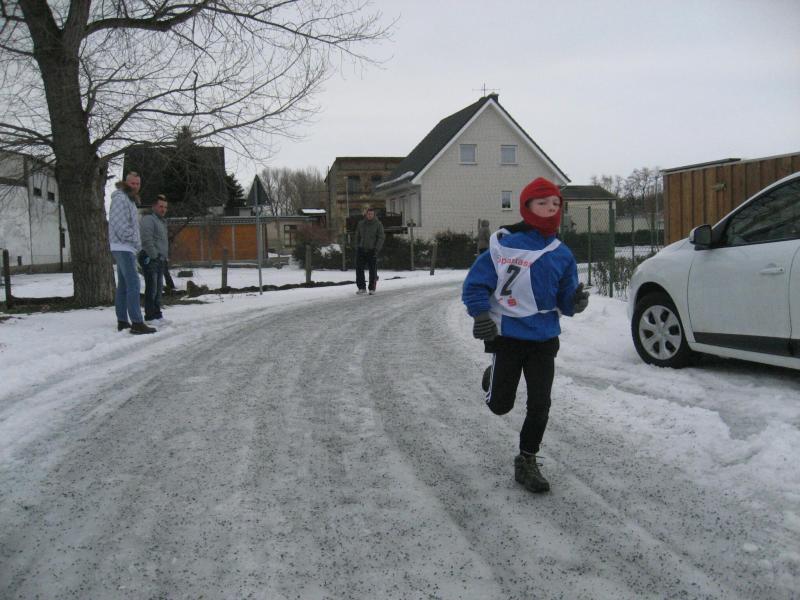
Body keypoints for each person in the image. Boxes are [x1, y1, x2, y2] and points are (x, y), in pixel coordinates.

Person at [461, 177, 589, 493]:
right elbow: (475, 285)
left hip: (545, 338)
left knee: (540, 403)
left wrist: (574, 302)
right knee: (500, 406)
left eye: (556, 204)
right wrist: (480, 315)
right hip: (509, 336)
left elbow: (565, 297)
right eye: (542, 203)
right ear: (527, 207)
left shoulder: (562, 253)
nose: (550, 209)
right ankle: (493, 377)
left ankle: (527, 460)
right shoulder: (504, 245)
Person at [108, 172, 156, 335]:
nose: (135, 186)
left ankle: (122, 321)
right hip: (124, 246)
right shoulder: (121, 199)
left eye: (137, 184)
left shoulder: (128, 199)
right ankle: (137, 322)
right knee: (134, 283)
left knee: (124, 285)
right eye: (132, 183)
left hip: (124, 247)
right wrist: (135, 240)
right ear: (126, 183)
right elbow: (119, 226)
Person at [139, 194, 169, 323]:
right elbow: (146, 239)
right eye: (161, 206)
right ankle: (150, 316)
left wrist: (163, 256)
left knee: (158, 289)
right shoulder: (148, 219)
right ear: (154, 207)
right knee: (152, 288)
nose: (163, 209)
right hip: (150, 258)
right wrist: (154, 255)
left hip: (160, 259)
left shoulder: (161, 222)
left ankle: (157, 314)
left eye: (165, 207)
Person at [354, 207, 385, 295]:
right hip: (361, 249)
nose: (370, 215)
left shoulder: (378, 224)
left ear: (374, 215)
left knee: (372, 270)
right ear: (366, 214)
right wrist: (357, 246)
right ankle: (361, 288)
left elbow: (381, 237)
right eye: (368, 214)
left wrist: (377, 248)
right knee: (359, 269)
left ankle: (372, 288)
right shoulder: (361, 224)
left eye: (371, 214)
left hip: (372, 250)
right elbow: (357, 236)